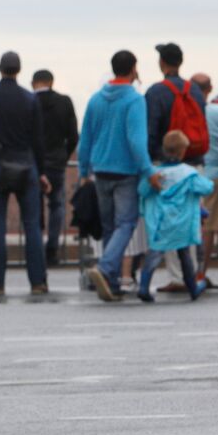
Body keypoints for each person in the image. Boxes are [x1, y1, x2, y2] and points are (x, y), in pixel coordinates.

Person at [78, 50, 158, 303]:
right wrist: (148, 171)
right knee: (126, 223)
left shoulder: (95, 100)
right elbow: (136, 141)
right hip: (126, 171)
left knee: (110, 225)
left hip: (100, 170)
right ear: (134, 68)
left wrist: (82, 171)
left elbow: (86, 139)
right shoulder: (134, 101)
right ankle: (105, 268)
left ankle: (111, 282)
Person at [0, 51, 50, 295]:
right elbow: (38, 138)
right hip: (26, 163)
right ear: (19, 69)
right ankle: (37, 281)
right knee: (32, 226)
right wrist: (42, 170)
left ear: (0, 68)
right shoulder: (30, 99)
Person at [137, 130, 214, 303]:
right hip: (182, 222)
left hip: (160, 222)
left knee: (155, 252)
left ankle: (144, 286)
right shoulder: (189, 173)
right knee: (184, 253)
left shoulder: (155, 174)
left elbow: (142, 190)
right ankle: (193, 288)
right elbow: (207, 187)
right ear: (183, 152)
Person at [31, 69, 78, 266]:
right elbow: (73, 136)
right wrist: (63, 156)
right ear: (51, 82)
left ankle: (34, 248)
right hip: (57, 162)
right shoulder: (64, 102)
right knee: (57, 205)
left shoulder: (29, 102)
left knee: (33, 206)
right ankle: (53, 247)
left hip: (33, 161)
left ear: (34, 83)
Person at [195, 72, 218, 289]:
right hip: (217, 174)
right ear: (209, 89)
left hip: (190, 172)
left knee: (190, 224)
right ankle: (201, 272)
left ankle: (188, 271)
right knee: (208, 227)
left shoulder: (190, 112)